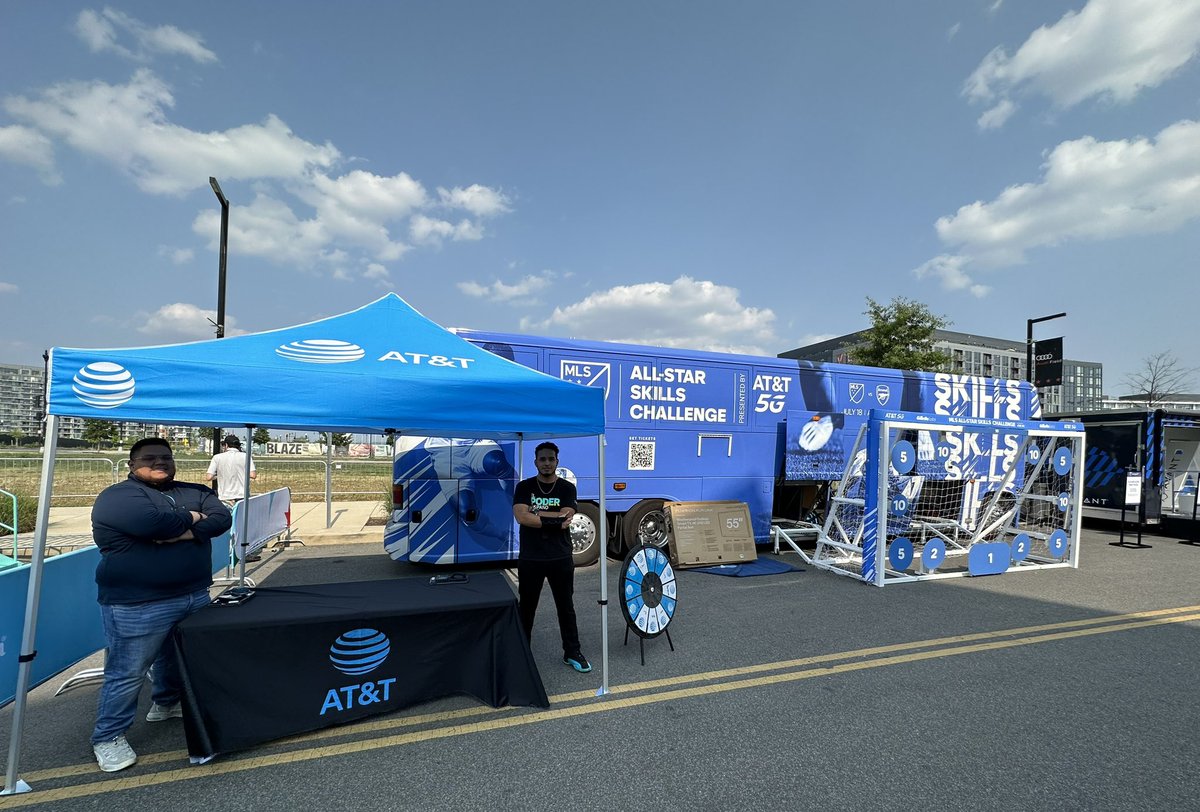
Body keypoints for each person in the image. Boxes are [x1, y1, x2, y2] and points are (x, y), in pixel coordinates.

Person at [90, 438, 232, 773]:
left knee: (176, 657)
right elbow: (152, 524)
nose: (159, 462)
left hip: (193, 593)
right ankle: (107, 737)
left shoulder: (195, 489)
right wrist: (193, 517)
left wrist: (186, 530)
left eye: (166, 457)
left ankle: (166, 703)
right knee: (128, 672)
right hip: (138, 603)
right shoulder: (118, 496)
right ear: (131, 464)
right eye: (149, 458)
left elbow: (222, 519)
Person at [512, 441, 591, 673]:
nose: (547, 463)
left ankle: (572, 652)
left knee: (566, 607)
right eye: (542, 459)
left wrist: (536, 512)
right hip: (531, 557)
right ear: (535, 462)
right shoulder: (524, 487)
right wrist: (553, 519)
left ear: (557, 461)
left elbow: (566, 517)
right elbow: (521, 517)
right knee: (526, 608)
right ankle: (521, 652)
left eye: (551, 459)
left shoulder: (567, 488)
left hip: (560, 557)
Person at [205, 433, 259, 560]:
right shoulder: (245, 456)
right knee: (242, 525)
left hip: (225, 496)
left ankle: (226, 553)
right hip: (242, 495)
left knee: (226, 525)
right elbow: (253, 475)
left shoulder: (217, 457)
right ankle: (243, 552)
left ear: (225, 445)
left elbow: (208, 477)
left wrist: (220, 476)